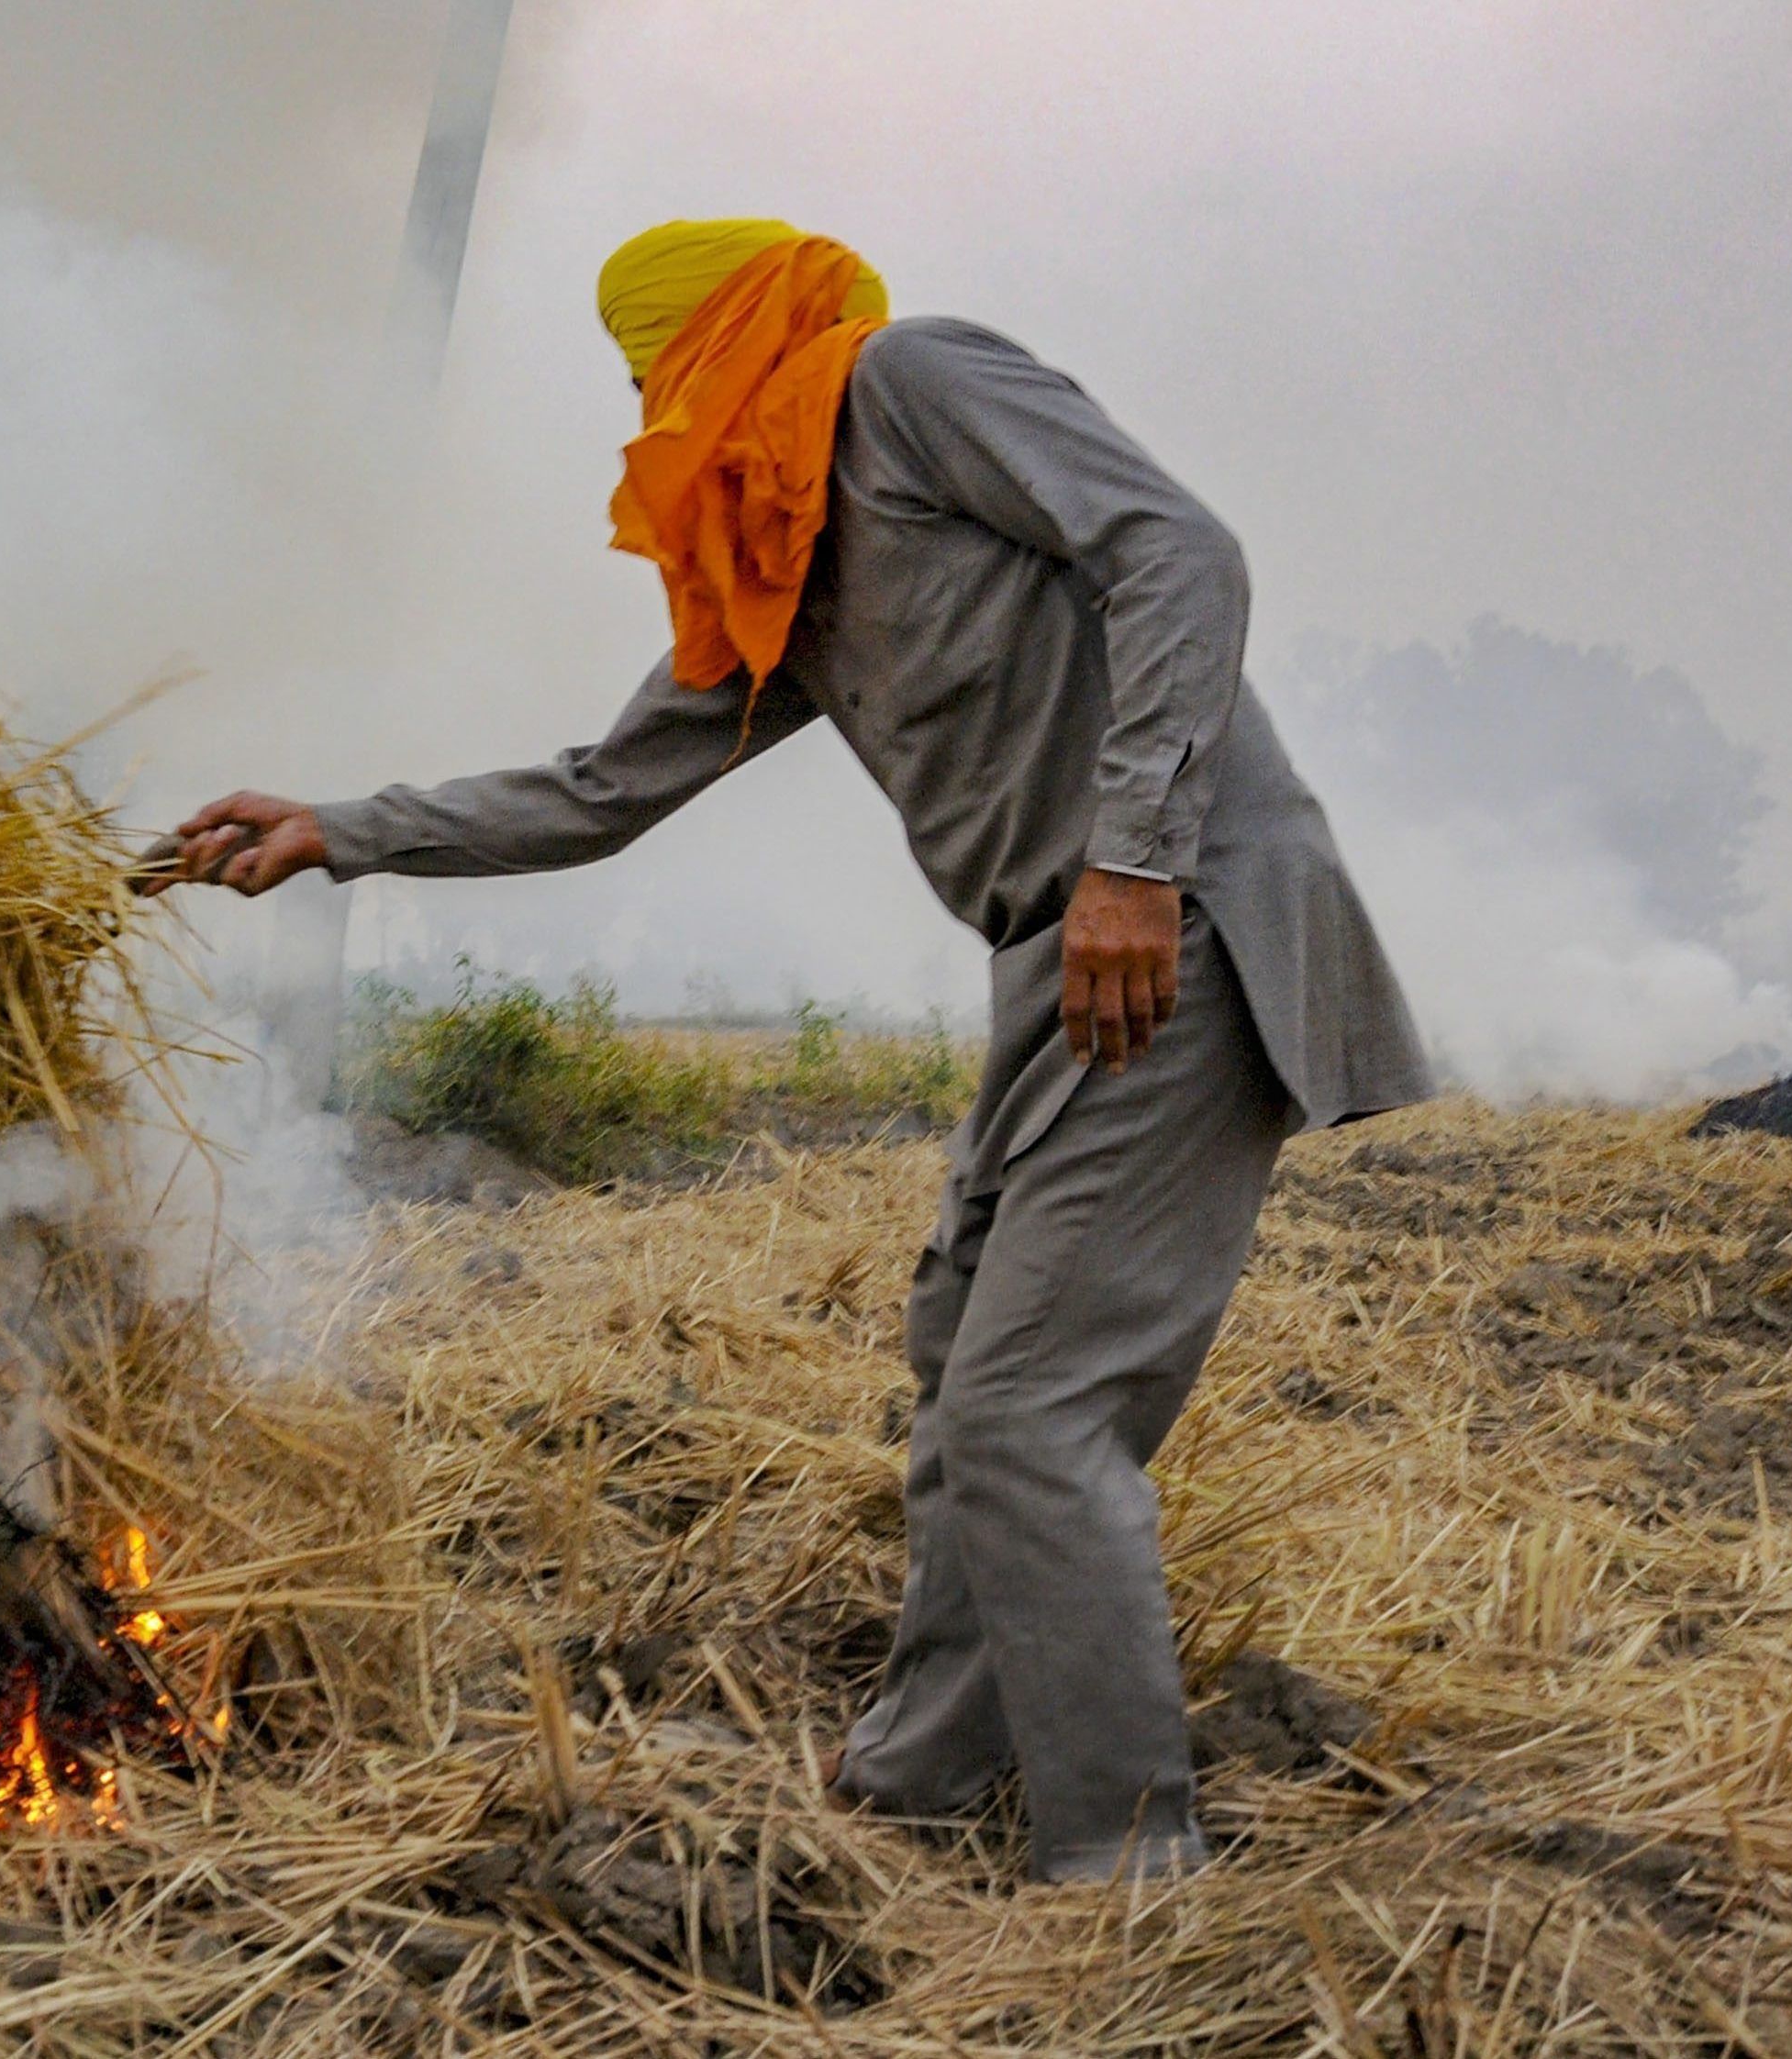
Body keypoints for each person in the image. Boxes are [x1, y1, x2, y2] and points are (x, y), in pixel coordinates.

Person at [157, 219, 1431, 1881]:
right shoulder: (781, 546)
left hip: (1172, 927)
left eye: (648, 372)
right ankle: (929, 1770)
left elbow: (1182, 552)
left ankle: (1130, 1868)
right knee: (962, 1354)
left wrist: (1138, 850)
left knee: (1034, 1408)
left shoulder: (912, 385)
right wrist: (339, 829)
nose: (645, 416)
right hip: (1060, 962)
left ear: (719, 336)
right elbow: (604, 790)